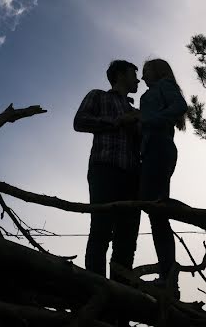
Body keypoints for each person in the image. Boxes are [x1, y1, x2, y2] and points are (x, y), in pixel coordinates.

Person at [74, 59, 142, 282]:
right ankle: (95, 288)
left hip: (132, 176)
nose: (138, 79)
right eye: (134, 74)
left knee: (127, 240)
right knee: (100, 231)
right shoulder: (98, 96)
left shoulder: (135, 110)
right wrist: (117, 121)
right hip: (104, 169)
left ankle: (119, 301)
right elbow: (80, 121)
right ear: (121, 75)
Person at [138, 58, 188, 292]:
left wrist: (145, 120)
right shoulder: (155, 91)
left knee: (154, 205)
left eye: (145, 71)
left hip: (160, 147)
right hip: (154, 149)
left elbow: (180, 106)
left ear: (157, 72)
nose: (142, 77)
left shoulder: (164, 85)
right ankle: (169, 278)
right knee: (157, 215)